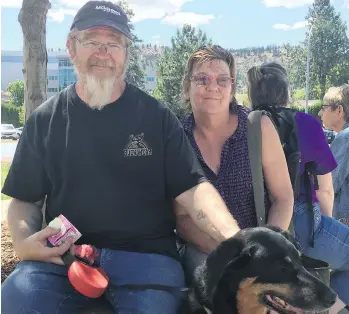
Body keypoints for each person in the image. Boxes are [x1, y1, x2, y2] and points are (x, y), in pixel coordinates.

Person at [0, 2, 242, 313]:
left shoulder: (157, 117)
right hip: (66, 258)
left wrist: (236, 240)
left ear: (126, 53)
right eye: (92, 41)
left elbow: (195, 189)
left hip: (148, 261)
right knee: (16, 299)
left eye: (113, 43)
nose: (103, 52)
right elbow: (24, 200)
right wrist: (23, 241)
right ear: (71, 47)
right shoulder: (44, 120)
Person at [175, 45, 294, 284]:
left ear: (231, 89)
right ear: (186, 88)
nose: (212, 86)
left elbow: (283, 198)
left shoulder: (257, 127)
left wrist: (264, 249)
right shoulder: (178, 138)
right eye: (202, 79)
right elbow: (182, 218)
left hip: (266, 246)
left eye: (222, 79)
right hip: (207, 252)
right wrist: (231, 254)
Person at [247, 62, 349, 313]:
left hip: (254, 224)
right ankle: (335, 308)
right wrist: (324, 230)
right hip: (303, 223)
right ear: (285, 92)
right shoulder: (305, 122)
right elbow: (325, 189)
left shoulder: (245, 125)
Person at [319, 84, 349, 227]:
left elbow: (330, 184)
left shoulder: (345, 138)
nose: (320, 113)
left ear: (339, 110)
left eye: (324, 107)